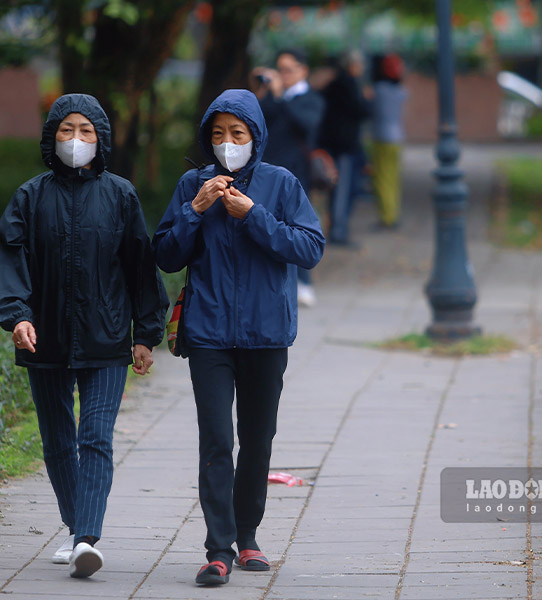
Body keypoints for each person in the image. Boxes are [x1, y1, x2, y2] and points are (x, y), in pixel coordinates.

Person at [0, 93, 168, 579]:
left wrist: (145, 334)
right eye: (67, 130)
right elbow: (10, 256)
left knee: (95, 436)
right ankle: (75, 529)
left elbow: (140, 268)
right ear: (52, 136)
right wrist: (17, 316)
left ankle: (87, 538)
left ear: (101, 139)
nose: (76, 140)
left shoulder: (121, 195)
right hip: (43, 339)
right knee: (56, 441)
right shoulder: (30, 196)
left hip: (107, 340)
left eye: (86, 131)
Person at [153, 89, 325, 586]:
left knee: (257, 440)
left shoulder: (281, 183)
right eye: (218, 134)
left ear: (255, 136)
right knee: (216, 438)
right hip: (207, 334)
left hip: (266, 333)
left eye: (237, 133)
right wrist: (195, 209)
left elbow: (309, 247)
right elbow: (164, 254)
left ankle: (248, 537)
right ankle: (218, 549)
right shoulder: (194, 183)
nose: (227, 143)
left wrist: (253, 215)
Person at [252, 48, 325, 307]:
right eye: (279, 69)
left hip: (297, 173)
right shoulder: (274, 98)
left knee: (297, 226)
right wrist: (265, 91)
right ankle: (275, 281)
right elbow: (257, 120)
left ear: (303, 70)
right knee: (267, 222)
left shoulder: (311, 99)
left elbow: (306, 125)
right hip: (267, 171)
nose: (282, 75)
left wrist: (280, 95)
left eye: (288, 70)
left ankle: (304, 282)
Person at [318, 49, 371, 246]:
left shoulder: (336, 84)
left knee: (341, 189)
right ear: (352, 65)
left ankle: (338, 229)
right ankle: (338, 232)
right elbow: (362, 109)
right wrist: (367, 99)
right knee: (343, 189)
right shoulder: (347, 84)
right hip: (343, 146)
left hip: (339, 144)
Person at [370, 53, 409, 229]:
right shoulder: (401, 92)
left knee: (382, 179)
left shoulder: (378, 90)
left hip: (381, 137)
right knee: (394, 179)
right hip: (397, 137)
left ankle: (387, 217)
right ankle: (393, 213)